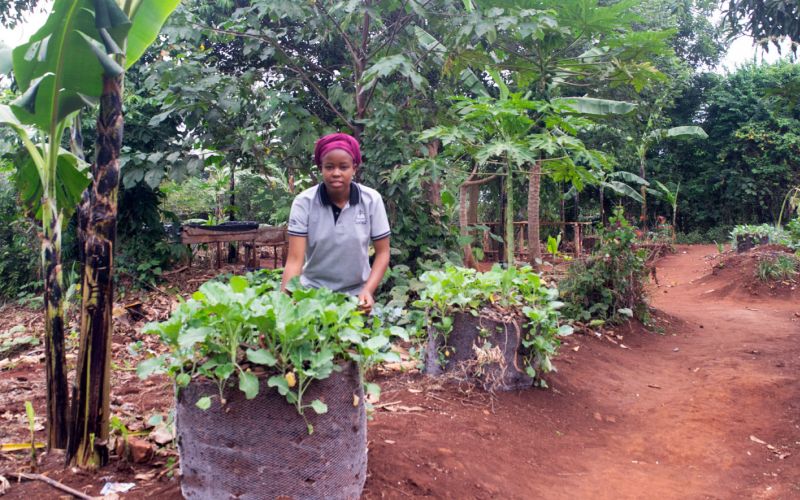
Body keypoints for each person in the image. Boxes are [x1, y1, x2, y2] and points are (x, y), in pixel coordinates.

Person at [280, 133, 390, 314]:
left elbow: (383, 253)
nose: (336, 173)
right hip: (312, 296)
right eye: (329, 167)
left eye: (344, 167)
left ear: (354, 168)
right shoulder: (304, 202)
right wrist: (283, 307)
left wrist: (367, 291)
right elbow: (294, 260)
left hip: (355, 297)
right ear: (320, 168)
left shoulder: (371, 200)